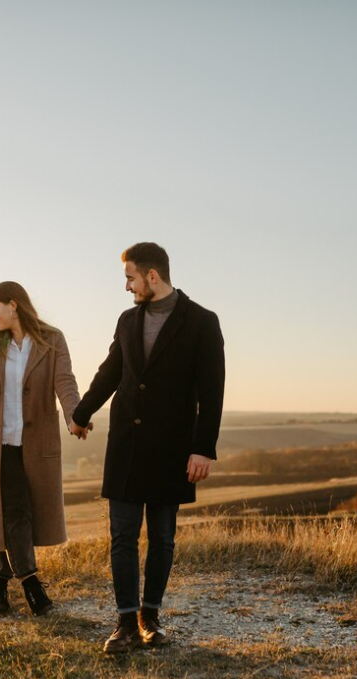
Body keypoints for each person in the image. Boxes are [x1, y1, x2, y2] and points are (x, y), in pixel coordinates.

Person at [70, 242, 225, 653]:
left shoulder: (202, 322)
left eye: (130, 278)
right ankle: (123, 624)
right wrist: (81, 414)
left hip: (172, 449)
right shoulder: (126, 321)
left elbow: (212, 391)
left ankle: (149, 619)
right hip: (126, 444)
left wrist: (203, 448)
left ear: (152, 276)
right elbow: (111, 371)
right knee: (121, 535)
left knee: (162, 538)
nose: (127, 287)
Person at [0, 281, 87, 616]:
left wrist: (76, 415)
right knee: (16, 512)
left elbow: (65, 381)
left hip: (35, 444)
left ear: (13, 305)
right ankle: (31, 585)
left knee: (16, 515)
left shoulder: (52, 340)